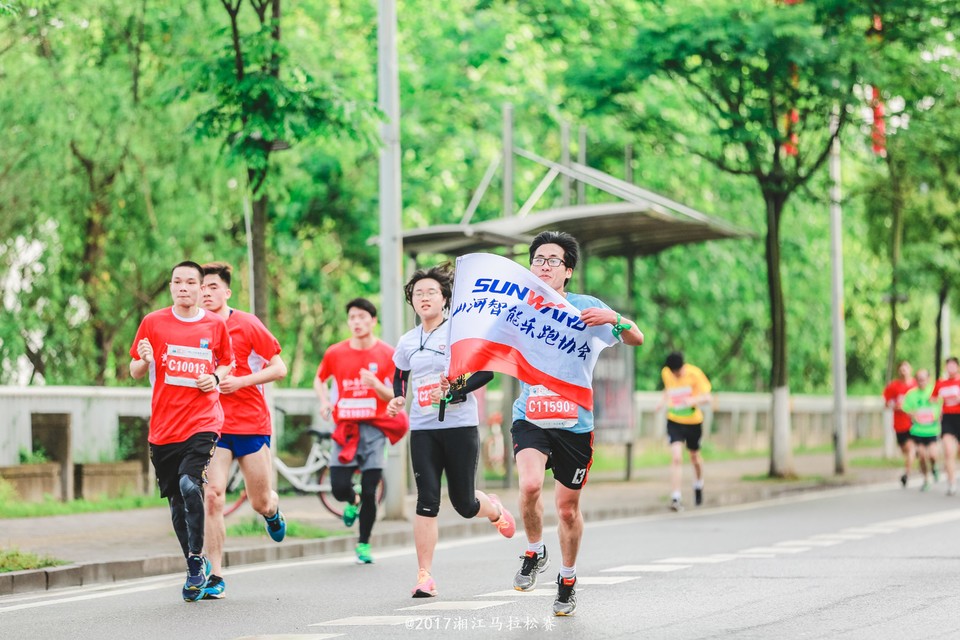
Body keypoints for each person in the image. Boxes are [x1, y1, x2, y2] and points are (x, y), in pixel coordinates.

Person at [509, 231, 644, 617]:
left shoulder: (587, 308)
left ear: (567, 270)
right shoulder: (518, 305)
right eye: (538, 260)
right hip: (531, 414)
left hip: (574, 421)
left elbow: (636, 338)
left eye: (553, 261)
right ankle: (534, 551)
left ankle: (567, 579)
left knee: (567, 509)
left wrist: (614, 318)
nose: (544, 266)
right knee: (530, 485)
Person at [385, 264, 516, 599]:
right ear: (412, 301)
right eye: (418, 293)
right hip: (423, 429)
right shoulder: (408, 340)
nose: (424, 297)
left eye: (431, 292)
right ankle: (424, 576)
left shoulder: (460, 333)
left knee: (464, 504)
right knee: (426, 500)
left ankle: (494, 509)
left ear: (444, 298)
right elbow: (400, 373)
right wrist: (398, 397)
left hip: (460, 426)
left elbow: (485, 373)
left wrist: (454, 389)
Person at [129, 261, 234, 602]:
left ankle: (196, 559)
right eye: (177, 282)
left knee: (191, 484)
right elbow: (134, 370)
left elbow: (227, 362)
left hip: (203, 421)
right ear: (171, 286)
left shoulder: (215, 325)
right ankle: (194, 563)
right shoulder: (153, 322)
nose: (183, 287)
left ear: (201, 288)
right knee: (176, 501)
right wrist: (144, 360)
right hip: (164, 429)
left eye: (190, 282)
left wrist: (214, 378)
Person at [199, 262, 289, 599]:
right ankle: (215, 575)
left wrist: (241, 382)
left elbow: (279, 368)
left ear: (227, 292)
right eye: (201, 287)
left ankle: (272, 511)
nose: (206, 293)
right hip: (214, 426)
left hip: (251, 424)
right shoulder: (194, 329)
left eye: (212, 287)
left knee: (259, 501)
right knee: (213, 496)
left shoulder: (247, 324)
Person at [314, 298, 408, 564]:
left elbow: (397, 395)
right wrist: (324, 402)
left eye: (362, 317)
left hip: (375, 430)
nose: (356, 322)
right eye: (352, 317)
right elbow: (319, 379)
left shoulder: (388, 353)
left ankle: (364, 543)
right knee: (338, 487)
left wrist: (377, 385)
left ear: (373, 321)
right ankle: (351, 500)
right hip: (346, 428)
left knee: (370, 490)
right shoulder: (336, 352)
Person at [659, 351, 712, 511]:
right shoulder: (666, 373)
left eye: (678, 372)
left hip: (693, 422)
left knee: (694, 457)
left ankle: (698, 483)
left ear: (683, 367)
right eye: (673, 373)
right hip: (674, 420)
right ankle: (676, 497)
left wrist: (693, 400)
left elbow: (708, 397)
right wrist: (661, 401)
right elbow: (668, 389)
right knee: (676, 457)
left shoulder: (695, 374)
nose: (676, 375)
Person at [903, 369, 941, 491]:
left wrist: (936, 415)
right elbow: (905, 408)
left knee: (933, 455)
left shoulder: (934, 392)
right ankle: (926, 479)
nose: (921, 381)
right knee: (922, 456)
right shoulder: (911, 394)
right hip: (918, 431)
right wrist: (912, 414)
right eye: (919, 379)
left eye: (923, 379)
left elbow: (941, 406)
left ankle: (934, 467)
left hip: (932, 430)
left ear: (928, 379)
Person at [883, 360, 918, 488]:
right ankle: (912, 461)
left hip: (914, 424)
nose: (904, 371)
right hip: (899, 424)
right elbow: (887, 403)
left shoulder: (916, 385)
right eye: (901, 369)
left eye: (906, 368)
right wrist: (896, 406)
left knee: (910, 448)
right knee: (905, 450)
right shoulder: (894, 386)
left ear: (910, 369)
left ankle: (906, 474)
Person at [933, 356, 960, 495]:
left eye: (953, 365)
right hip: (948, 419)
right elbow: (932, 399)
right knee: (948, 451)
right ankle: (952, 483)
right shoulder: (941, 383)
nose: (950, 368)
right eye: (948, 365)